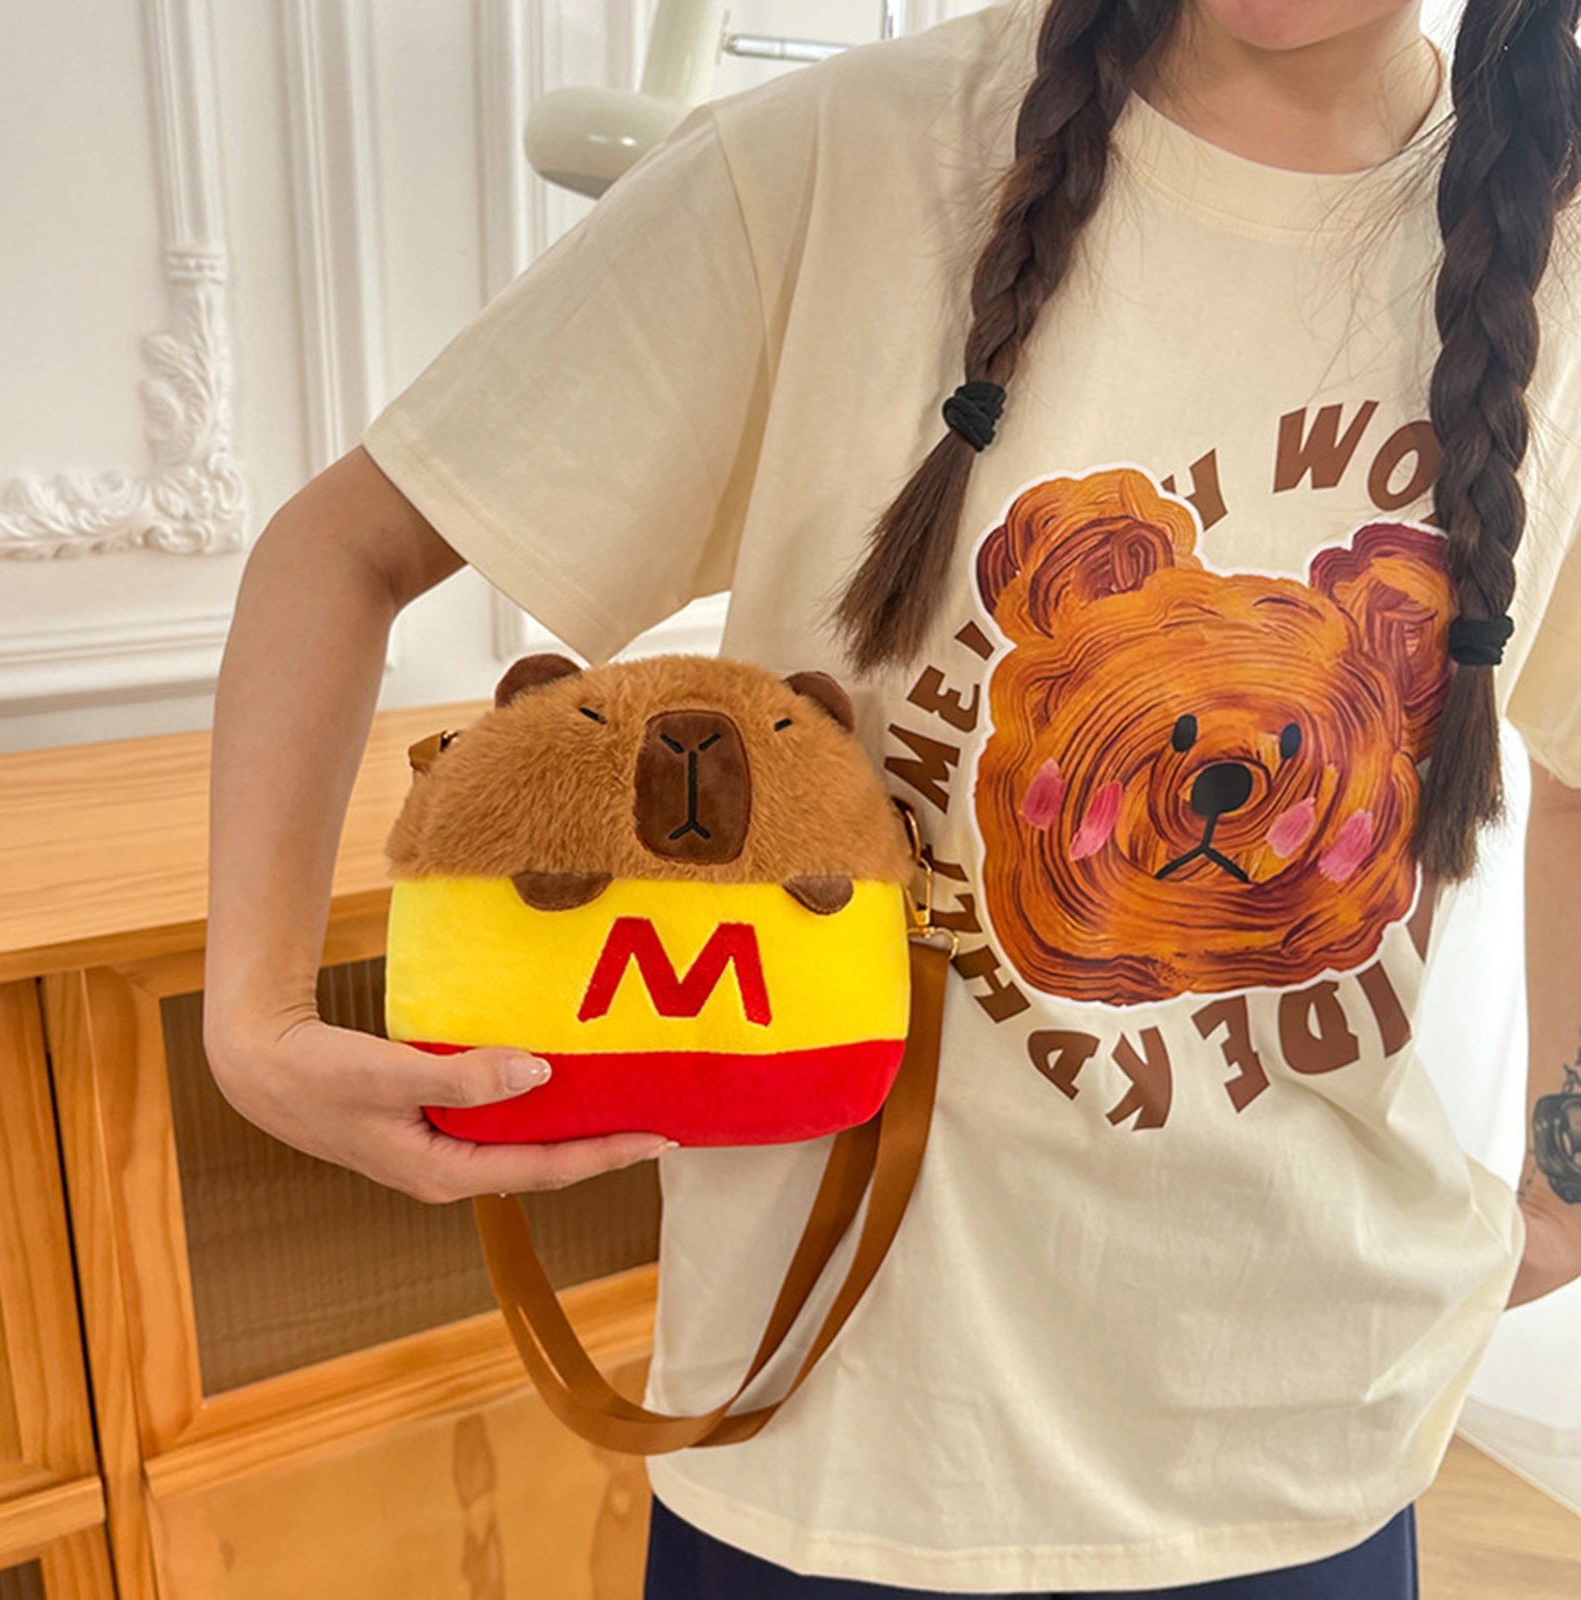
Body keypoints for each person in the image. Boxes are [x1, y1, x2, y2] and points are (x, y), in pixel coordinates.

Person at [204, 0, 1581, 1594]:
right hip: (830, 1435)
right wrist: (253, 1020)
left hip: (1306, 1448)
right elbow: (342, 549)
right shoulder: (844, 163)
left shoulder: (1558, 244)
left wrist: (1563, 1173)